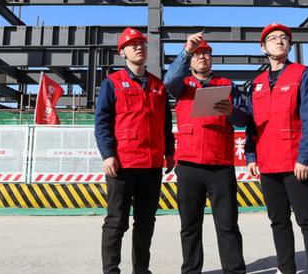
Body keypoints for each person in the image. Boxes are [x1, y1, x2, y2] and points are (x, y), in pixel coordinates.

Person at [245, 23, 308, 274]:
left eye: (283, 38)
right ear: (263, 47)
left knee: (307, 220)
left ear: (289, 45)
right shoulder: (257, 83)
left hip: (296, 162)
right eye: (272, 38)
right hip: (268, 163)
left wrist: (305, 157)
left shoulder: (302, 74)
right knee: (278, 220)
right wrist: (251, 155)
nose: (279, 41)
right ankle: (285, 268)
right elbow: (252, 122)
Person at [164, 31, 247, 274]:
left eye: (207, 54)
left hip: (220, 164)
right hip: (189, 165)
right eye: (197, 54)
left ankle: (234, 270)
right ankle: (191, 270)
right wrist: (186, 50)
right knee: (190, 226)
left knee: (228, 224)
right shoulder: (182, 85)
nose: (202, 57)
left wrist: (231, 111)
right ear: (190, 59)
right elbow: (169, 80)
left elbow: (243, 119)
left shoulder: (227, 85)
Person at [94, 27, 175, 274]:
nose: (139, 48)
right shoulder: (112, 83)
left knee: (145, 222)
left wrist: (169, 152)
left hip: (151, 165)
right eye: (133, 45)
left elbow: (165, 123)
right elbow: (102, 121)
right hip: (123, 164)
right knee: (116, 221)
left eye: (142, 44)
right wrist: (108, 154)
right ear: (123, 52)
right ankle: (111, 271)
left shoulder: (158, 86)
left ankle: (142, 270)